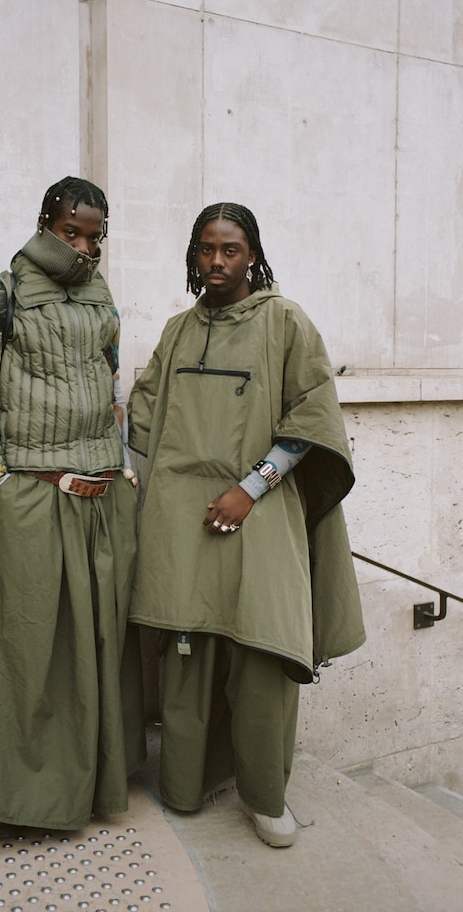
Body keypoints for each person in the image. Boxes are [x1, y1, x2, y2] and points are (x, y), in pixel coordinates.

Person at [127, 202, 365, 848]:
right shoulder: (178, 330)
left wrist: (249, 487)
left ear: (253, 253)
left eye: (230, 249)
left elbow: (311, 416)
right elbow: (145, 415)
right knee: (187, 651)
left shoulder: (286, 321)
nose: (216, 262)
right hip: (180, 513)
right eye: (205, 248)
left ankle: (264, 796)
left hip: (258, 506)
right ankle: (183, 784)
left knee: (262, 647)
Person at [0, 176, 145, 838]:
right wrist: (2, 481)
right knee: (25, 650)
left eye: (95, 234)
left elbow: (113, 380)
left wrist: (121, 463)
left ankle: (91, 785)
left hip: (98, 497)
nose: (84, 245)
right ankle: (9, 803)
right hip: (32, 496)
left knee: (94, 648)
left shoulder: (101, 295)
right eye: (73, 230)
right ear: (45, 221)